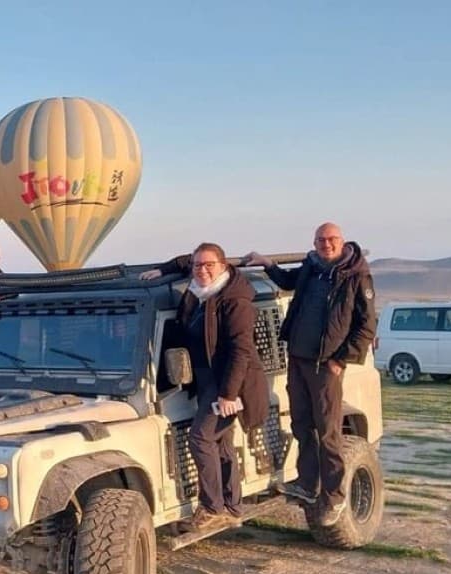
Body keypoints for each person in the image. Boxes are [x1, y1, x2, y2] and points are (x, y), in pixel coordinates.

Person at [244, 222, 376, 527]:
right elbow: (289, 282)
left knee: (328, 431)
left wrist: (340, 360)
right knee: (302, 424)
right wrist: (268, 265)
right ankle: (307, 483)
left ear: (342, 242)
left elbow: (366, 326)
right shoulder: (312, 266)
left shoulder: (356, 275)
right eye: (320, 240)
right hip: (299, 358)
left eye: (331, 239)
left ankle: (334, 496)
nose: (326, 244)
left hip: (326, 363)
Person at [141, 244, 269, 531]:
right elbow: (185, 259)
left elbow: (241, 351)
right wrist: (163, 269)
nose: (201, 269)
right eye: (197, 265)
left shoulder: (234, 300)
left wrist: (228, 395)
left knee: (200, 439)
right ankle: (232, 506)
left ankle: (212, 508)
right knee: (220, 443)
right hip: (206, 378)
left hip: (228, 381)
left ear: (223, 266)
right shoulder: (201, 290)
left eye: (209, 265)